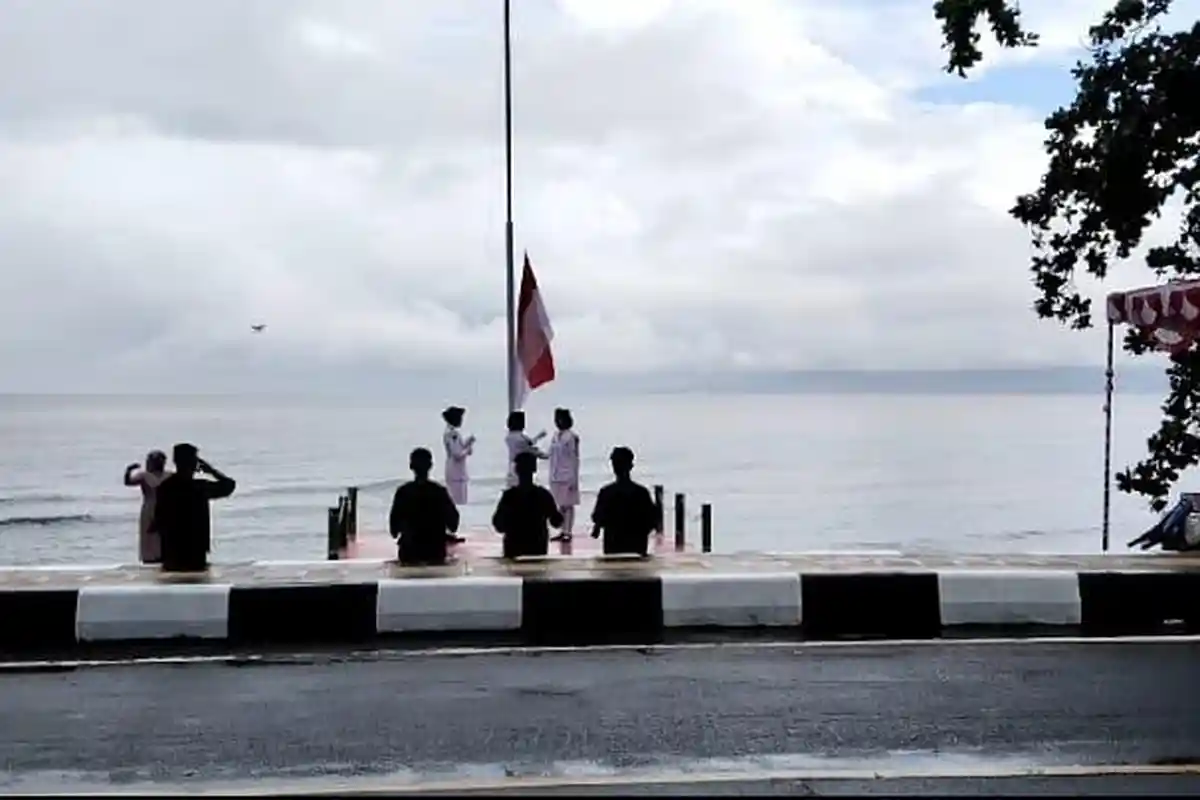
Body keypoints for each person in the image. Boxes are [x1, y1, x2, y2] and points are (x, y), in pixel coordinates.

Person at [153, 443, 236, 572]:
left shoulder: (165, 488)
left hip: (172, 550)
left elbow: (158, 520)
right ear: (194, 463)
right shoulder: (199, 487)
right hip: (195, 549)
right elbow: (229, 486)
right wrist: (211, 471)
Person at [389, 447, 461, 566]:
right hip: (434, 552)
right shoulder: (439, 492)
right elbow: (454, 524)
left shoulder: (403, 493)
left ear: (411, 466)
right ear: (430, 466)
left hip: (409, 553)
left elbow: (393, 530)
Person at [492, 451, 563, 559]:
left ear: (516, 470)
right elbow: (556, 522)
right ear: (534, 469)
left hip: (513, 547)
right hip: (537, 547)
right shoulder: (543, 495)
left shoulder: (509, 497)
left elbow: (498, 525)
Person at [590, 446, 657, 556]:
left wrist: (598, 527)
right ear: (631, 466)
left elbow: (597, 517)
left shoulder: (606, 492)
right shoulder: (642, 492)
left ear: (613, 467)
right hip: (637, 546)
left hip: (613, 547)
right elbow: (653, 520)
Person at [123, 450, 170, 565]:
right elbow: (128, 482)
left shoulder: (167, 475)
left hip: (158, 507)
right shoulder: (146, 475)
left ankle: (160, 556)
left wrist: (129, 471)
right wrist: (129, 471)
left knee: (161, 535)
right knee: (151, 535)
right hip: (155, 507)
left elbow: (128, 482)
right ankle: (152, 557)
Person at [548, 408, 581, 543]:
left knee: (568, 505)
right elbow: (551, 454)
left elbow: (574, 457)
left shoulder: (571, 437)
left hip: (568, 474)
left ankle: (568, 532)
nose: (557, 422)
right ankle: (562, 531)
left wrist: (574, 478)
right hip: (556, 475)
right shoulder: (555, 435)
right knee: (560, 505)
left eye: (560, 419)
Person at [441, 406, 475, 507]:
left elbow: (458, 449)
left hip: (454, 471)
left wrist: (467, 444)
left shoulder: (451, 432)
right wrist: (467, 450)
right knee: (459, 502)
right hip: (456, 472)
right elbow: (457, 454)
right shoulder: (453, 434)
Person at [504, 410, 547, 488]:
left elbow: (529, 443)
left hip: (512, 468)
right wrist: (548, 455)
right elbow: (531, 448)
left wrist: (539, 437)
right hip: (522, 469)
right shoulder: (521, 438)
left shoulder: (509, 437)